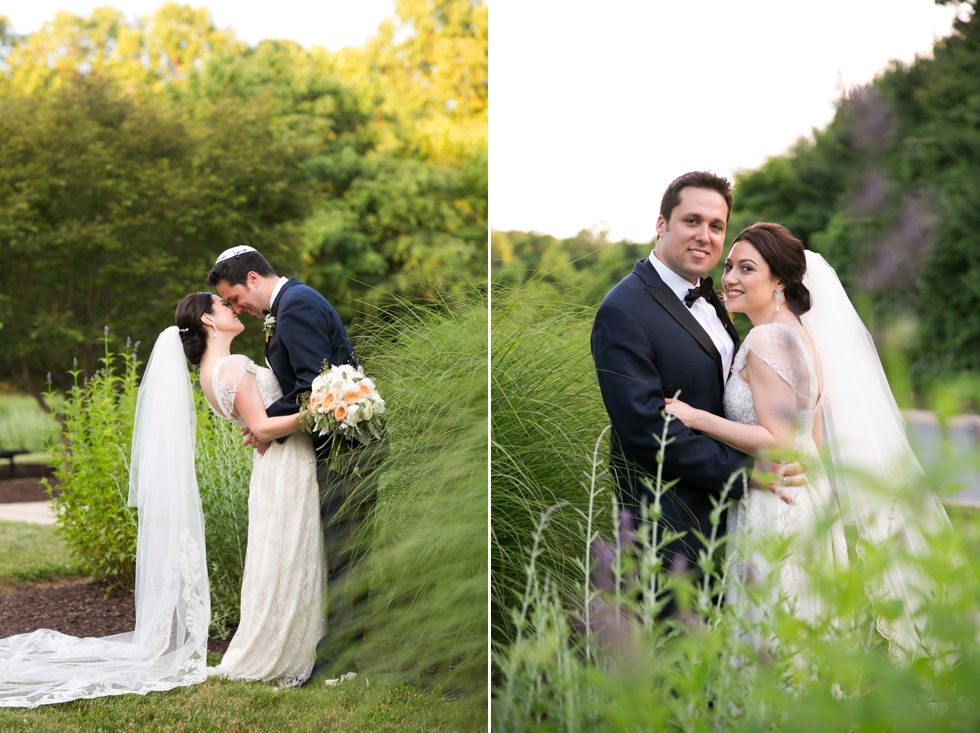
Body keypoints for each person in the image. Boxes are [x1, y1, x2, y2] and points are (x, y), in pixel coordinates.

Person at [664, 222, 952, 660]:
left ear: (779, 280)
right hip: (804, 496)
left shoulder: (768, 338)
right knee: (802, 640)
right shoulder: (799, 335)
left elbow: (778, 440)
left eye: (746, 269)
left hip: (775, 503)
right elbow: (810, 433)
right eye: (729, 267)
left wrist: (696, 417)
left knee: (770, 641)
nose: (730, 279)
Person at [592, 171, 770, 615]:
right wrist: (744, 474)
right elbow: (645, 429)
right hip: (668, 531)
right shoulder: (623, 310)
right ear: (661, 224)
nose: (704, 236)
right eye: (692, 220)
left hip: (731, 524)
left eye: (716, 226)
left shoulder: (713, 299)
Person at [205, 246, 374, 684]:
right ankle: (336, 658)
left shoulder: (295, 307)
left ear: (254, 280)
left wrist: (266, 425)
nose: (235, 306)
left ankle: (339, 666)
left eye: (235, 296)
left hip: (347, 448)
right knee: (339, 552)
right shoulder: (290, 303)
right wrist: (266, 425)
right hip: (334, 444)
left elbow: (311, 388)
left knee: (346, 556)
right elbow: (312, 385)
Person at [175, 291, 325, 687]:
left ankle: (291, 637)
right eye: (224, 305)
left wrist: (265, 423)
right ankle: (291, 647)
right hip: (288, 461)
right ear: (208, 320)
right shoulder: (232, 366)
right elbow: (260, 427)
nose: (233, 307)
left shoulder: (210, 373)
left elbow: (256, 420)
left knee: (282, 556)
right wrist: (321, 408)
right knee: (293, 552)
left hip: (271, 469)